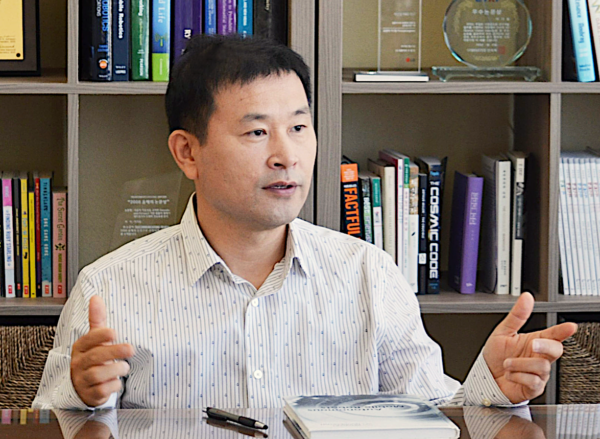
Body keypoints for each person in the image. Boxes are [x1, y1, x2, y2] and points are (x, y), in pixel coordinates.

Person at [32, 35, 577, 411]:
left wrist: (494, 389)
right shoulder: (110, 287)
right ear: (187, 152)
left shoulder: (367, 273)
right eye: (255, 133)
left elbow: (431, 416)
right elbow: (51, 422)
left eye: (298, 127)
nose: (285, 155)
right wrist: (83, 394)